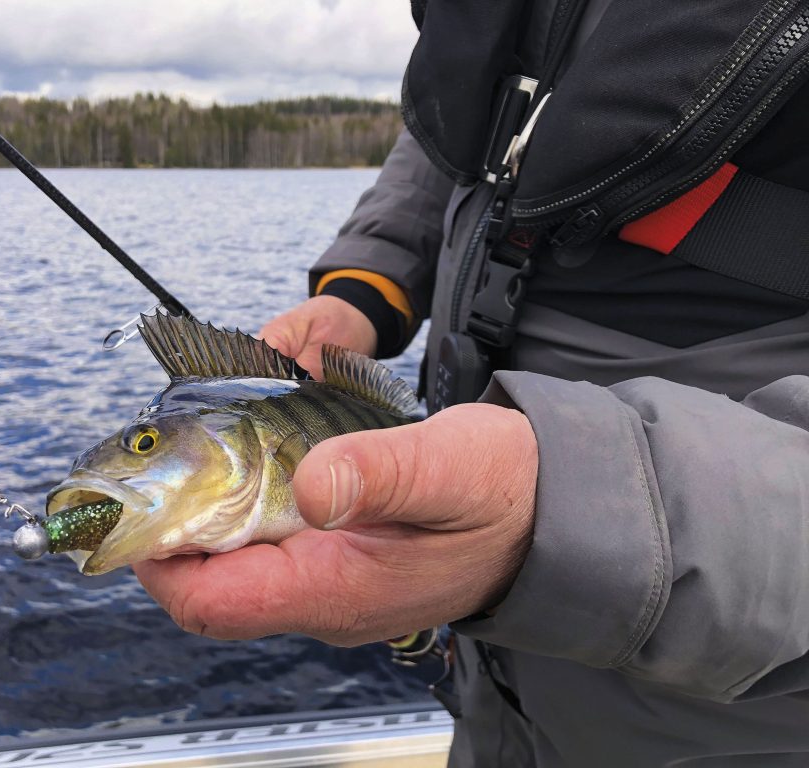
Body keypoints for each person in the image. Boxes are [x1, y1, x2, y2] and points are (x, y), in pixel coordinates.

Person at [134, 1, 809, 765]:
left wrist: (563, 520)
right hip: (493, 680)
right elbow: (470, 129)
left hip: (730, 717)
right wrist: (365, 286)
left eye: (147, 444)